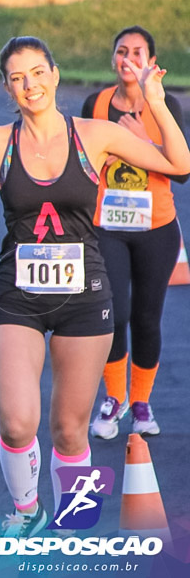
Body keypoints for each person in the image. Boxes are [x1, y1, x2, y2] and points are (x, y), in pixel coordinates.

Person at [0, 37, 190, 539]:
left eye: (37, 73)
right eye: (17, 78)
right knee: (17, 423)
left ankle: (74, 526)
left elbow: (178, 163)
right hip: (17, 295)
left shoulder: (96, 135)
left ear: (55, 75)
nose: (29, 85)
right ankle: (27, 508)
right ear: (8, 89)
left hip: (85, 297)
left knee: (69, 429)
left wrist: (158, 105)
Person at [81, 26, 187, 440]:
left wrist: (141, 140)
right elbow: (85, 159)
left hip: (156, 227)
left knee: (146, 317)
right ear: (113, 60)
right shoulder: (98, 103)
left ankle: (141, 403)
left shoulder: (167, 106)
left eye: (138, 52)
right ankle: (114, 398)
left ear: (151, 62)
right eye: (121, 51)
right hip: (108, 224)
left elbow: (183, 172)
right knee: (114, 312)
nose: (129, 58)